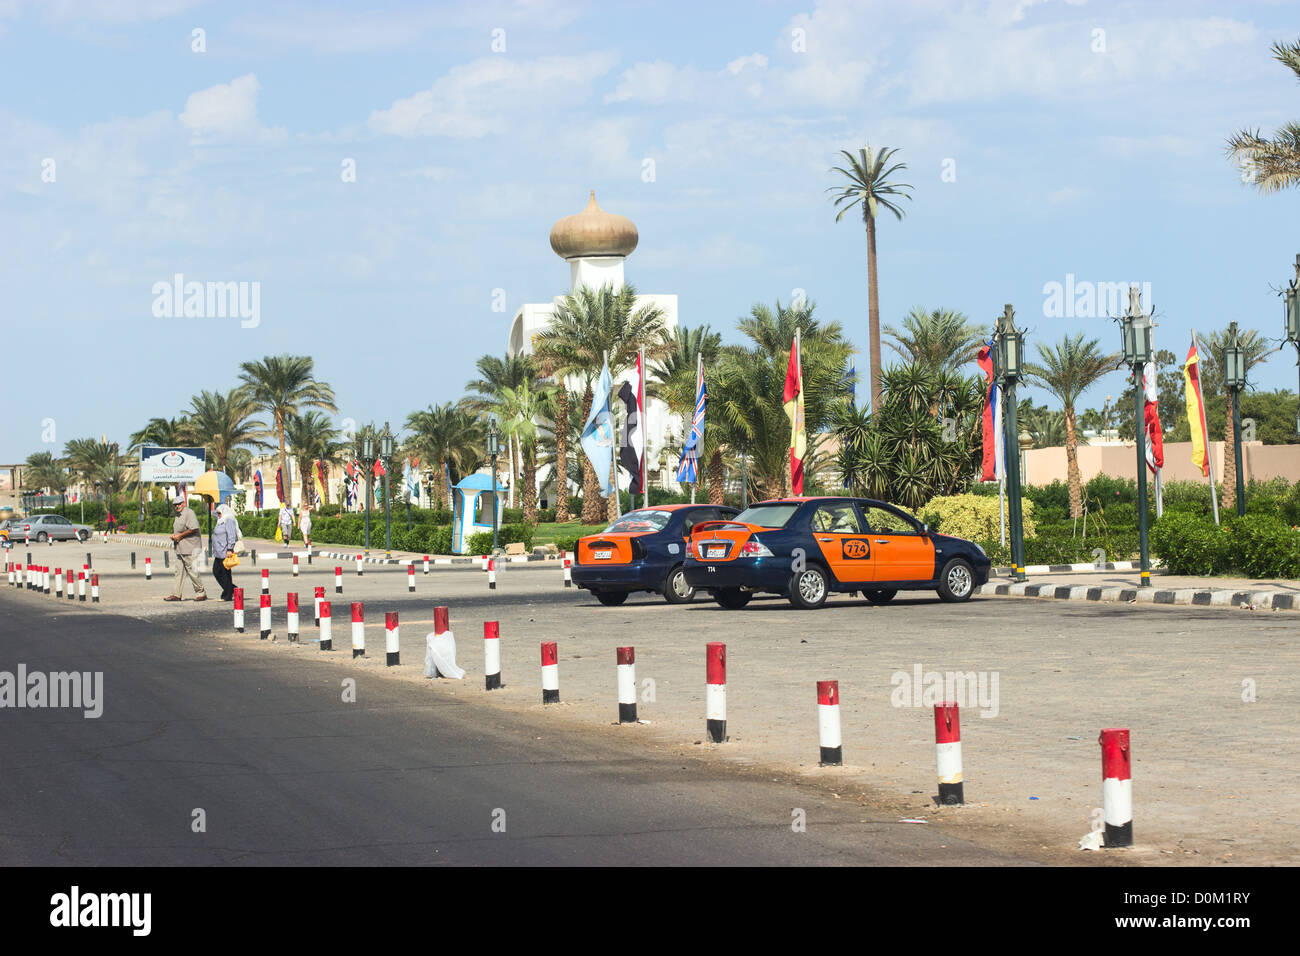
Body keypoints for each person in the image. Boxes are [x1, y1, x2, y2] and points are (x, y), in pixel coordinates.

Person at [165, 493, 206, 602]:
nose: (177, 506)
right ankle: (176, 594)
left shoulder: (189, 513)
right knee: (178, 572)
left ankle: (201, 593)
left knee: (192, 572)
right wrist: (174, 536)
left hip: (190, 548)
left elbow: (194, 528)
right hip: (180, 549)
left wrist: (180, 535)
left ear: (184, 503)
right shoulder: (178, 515)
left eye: (179, 504)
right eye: (175, 505)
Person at [211, 503, 240, 601]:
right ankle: (233, 589)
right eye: (218, 513)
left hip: (225, 551)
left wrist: (230, 549)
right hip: (218, 552)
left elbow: (231, 535)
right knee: (216, 571)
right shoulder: (220, 520)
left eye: (220, 513)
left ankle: (227, 595)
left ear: (224, 512)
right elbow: (213, 513)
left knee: (225, 573)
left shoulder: (228, 520)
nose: (218, 515)